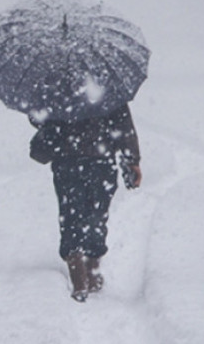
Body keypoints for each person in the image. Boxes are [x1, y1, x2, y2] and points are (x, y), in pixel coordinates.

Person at [29, 104, 142, 302]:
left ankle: (78, 272)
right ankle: (91, 266)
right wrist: (131, 160)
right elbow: (123, 126)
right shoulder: (108, 87)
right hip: (101, 160)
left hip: (67, 159)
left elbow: (37, 118)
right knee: (97, 214)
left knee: (70, 213)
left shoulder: (54, 85)